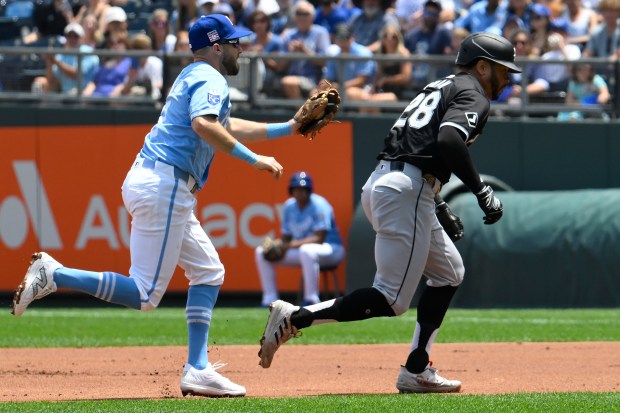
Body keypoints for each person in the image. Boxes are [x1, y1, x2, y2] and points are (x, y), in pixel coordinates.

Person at [12, 14, 305, 398]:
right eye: (235, 42)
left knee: (209, 272)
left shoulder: (193, 74)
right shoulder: (210, 77)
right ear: (217, 47)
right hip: (166, 183)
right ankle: (56, 274)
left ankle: (197, 368)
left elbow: (224, 126)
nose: (241, 48)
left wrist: (289, 127)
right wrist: (257, 160)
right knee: (146, 295)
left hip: (160, 182)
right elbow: (204, 125)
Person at [257, 31, 517, 394]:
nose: (508, 79)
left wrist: (438, 203)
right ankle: (296, 317)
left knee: (449, 273)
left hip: (395, 183)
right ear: (483, 65)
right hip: (406, 192)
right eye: (504, 71)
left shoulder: (438, 87)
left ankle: (417, 368)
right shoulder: (472, 92)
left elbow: (414, 146)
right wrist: (481, 190)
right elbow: (447, 140)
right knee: (392, 300)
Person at [255, 172, 345, 307]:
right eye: (296, 189)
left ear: (309, 190)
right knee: (261, 252)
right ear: (291, 191)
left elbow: (319, 238)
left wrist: (288, 245)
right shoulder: (289, 206)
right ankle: (269, 299)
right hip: (304, 252)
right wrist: (279, 244)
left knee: (307, 251)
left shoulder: (319, 204)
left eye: (303, 189)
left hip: (332, 249)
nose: (300, 193)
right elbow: (287, 237)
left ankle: (311, 299)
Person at [31, 22, 99, 95]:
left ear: (81, 38)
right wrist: (49, 62)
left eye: (75, 36)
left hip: (85, 91)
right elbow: (52, 82)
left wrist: (55, 61)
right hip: (65, 94)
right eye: (69, 36)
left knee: (74, 93)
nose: (72, 39)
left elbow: (77, 74)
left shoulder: (87, 52)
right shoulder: (61, 55)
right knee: (40, 82)